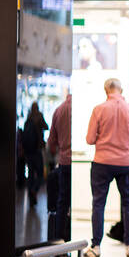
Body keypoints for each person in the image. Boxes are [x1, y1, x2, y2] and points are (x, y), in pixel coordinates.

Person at [84, 78, 129, 257]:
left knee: (98, 204)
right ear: (121, 90)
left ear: (106, 91)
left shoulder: (99, 110)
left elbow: (89, 139)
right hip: (127, 164)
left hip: (102, 162)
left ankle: (96, 246)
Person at [47, 94, 72, 241]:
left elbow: (52, 140)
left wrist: (56, 151)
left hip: (64, 161)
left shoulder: (59, 110)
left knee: (62, 201)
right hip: (76, 161)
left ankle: (60, 239)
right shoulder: (81, 109)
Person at [22, 102, 48, 206]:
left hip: (28, 152)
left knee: (31, 175)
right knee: (40, 174)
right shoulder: (39, 116)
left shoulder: (28, 118)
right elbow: (46, 127)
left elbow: (24, 135)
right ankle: (34, 190)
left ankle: (31, 198)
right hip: (37, 150)